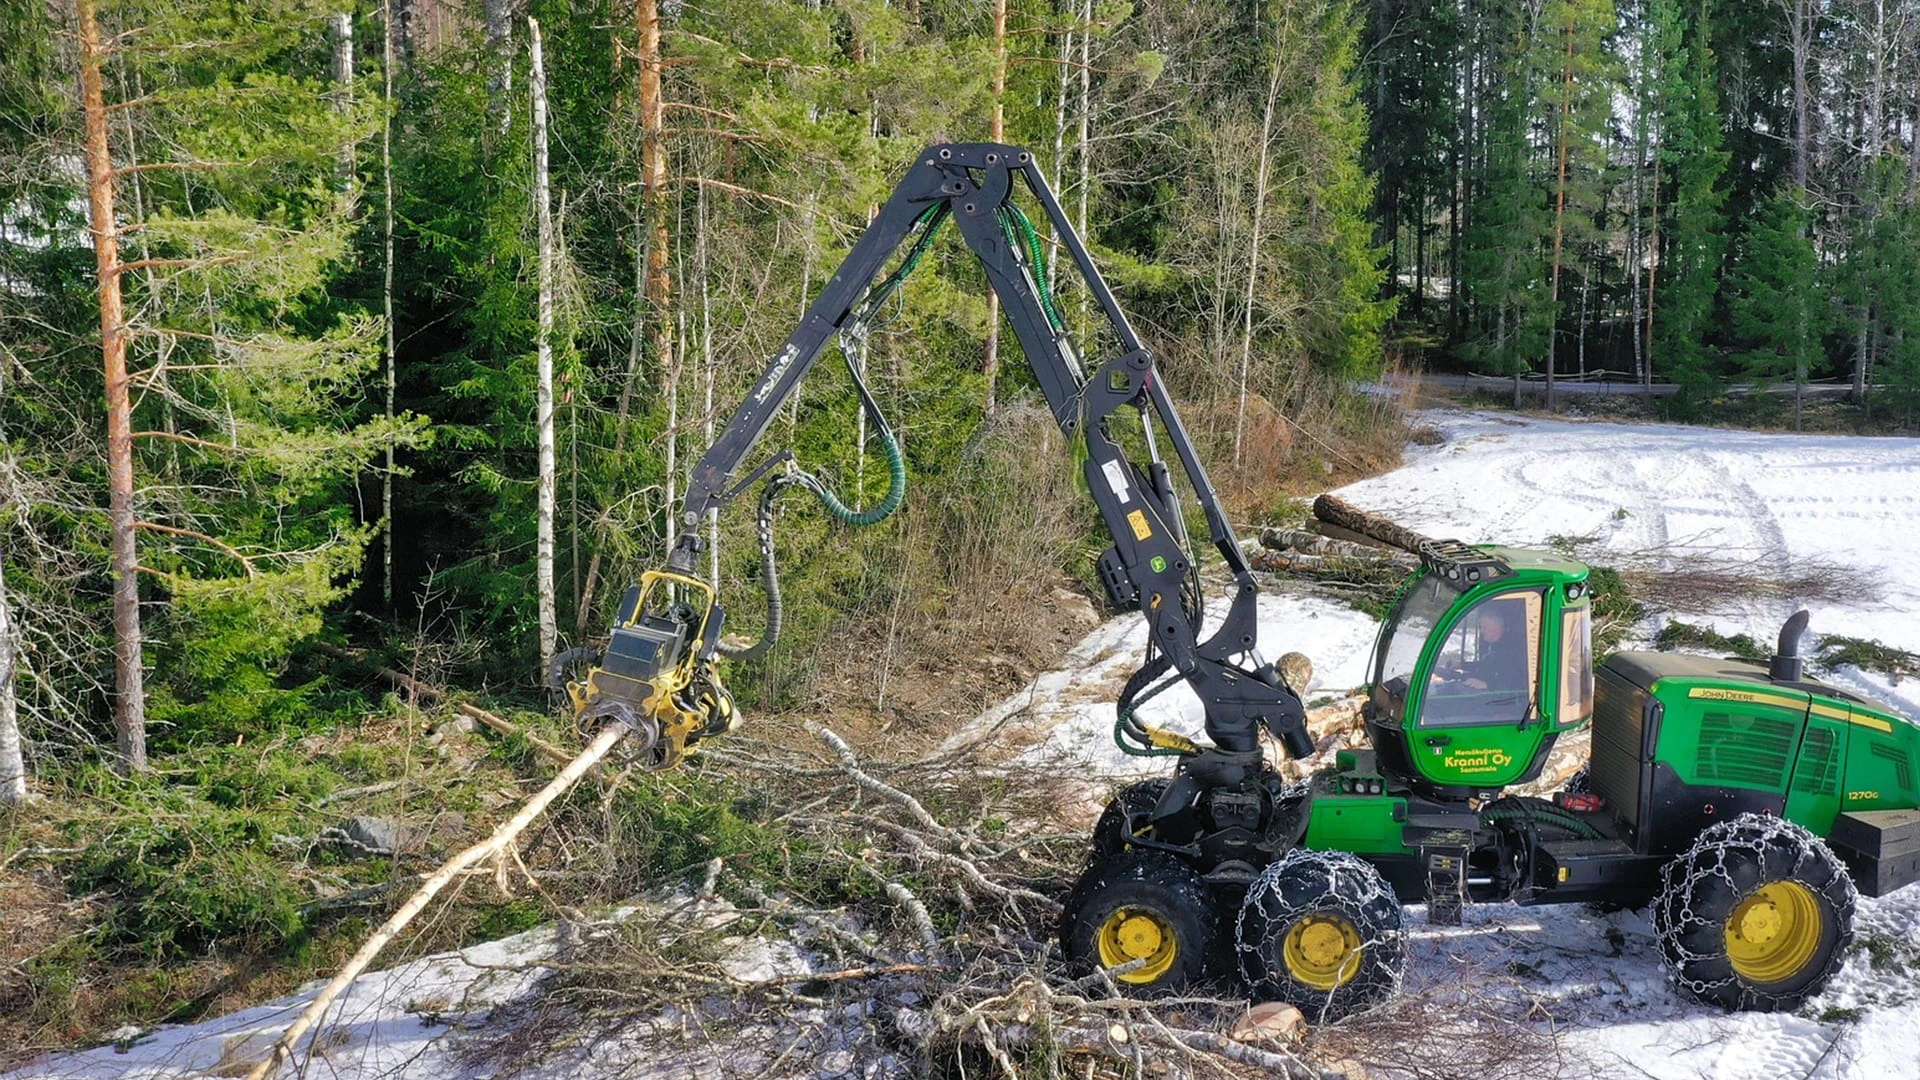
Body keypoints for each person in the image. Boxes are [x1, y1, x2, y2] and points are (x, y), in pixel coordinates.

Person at [1462, 603, 1529, 692]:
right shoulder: (1495, 648)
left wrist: (1486, 685)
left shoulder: (1512, 651)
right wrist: (1462, 665)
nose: (1481, 632)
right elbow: (1483, 666)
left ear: (1495, 628)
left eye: (1484, 627)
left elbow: (1517, 682)